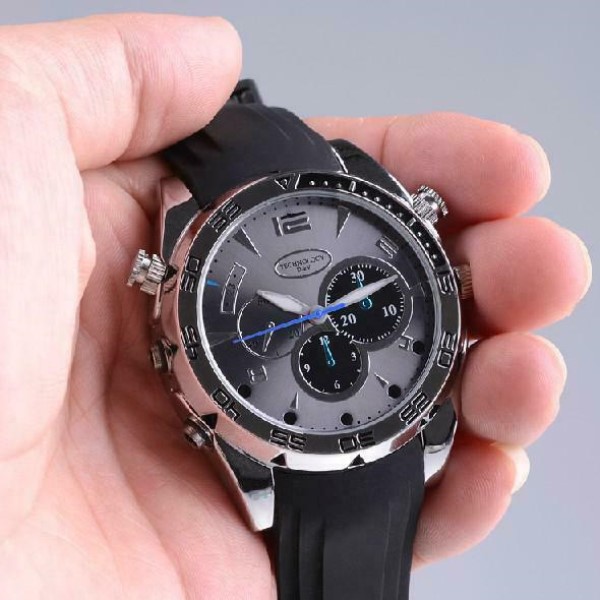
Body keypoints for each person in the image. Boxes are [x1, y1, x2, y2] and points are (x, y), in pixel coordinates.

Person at [0, 13, 591, 599]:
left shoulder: (355, 188)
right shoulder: (183, 205)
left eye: (355, 302)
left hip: (392, 441)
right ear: (157, 280)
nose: (320, 317)